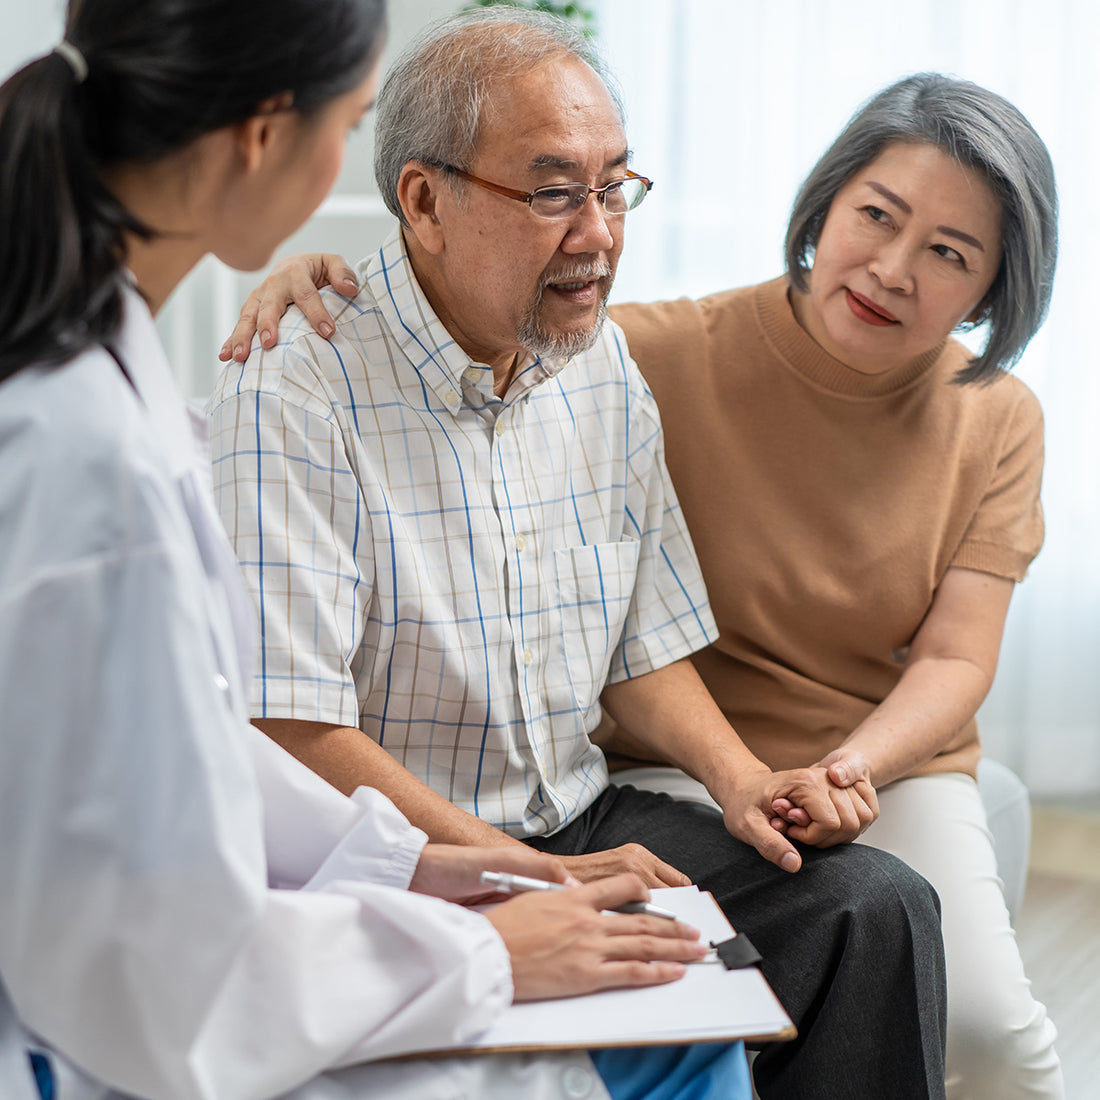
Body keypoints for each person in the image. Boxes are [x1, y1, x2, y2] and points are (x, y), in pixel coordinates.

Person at [0, 4, 745, 1099]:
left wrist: (419, 866)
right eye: (351, 124)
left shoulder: (101, 371)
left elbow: (195, 757)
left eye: (611, 188)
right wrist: (484, 950)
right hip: (133, 1039)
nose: (593, 230)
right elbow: (163, 989)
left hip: (226, 963)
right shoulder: (98, 463)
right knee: (683, 1045)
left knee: (783, 952)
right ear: (265, 136)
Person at [209, 10, 950, 1099]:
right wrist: (522, 876)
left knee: (873, 909)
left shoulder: (596, 363)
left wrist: (742, 781)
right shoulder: (297, 383)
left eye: (614, 187)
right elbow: (292, 725)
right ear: (424, 201)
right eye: (555, 192)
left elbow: (640, 647)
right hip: (399, 860)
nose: (598, 233)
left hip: (577, 817)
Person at [592, 75, 1062, 1100]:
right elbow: (463, 334)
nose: (892, 270)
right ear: (825, 203)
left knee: (989, 1036)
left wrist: (851, 769)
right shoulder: (647, 352)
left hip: (881, 767)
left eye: (948, 253)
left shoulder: (998, 418)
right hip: (677, 766)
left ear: (991, 291)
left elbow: (955, 654)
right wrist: (319, 285)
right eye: (876, 216)